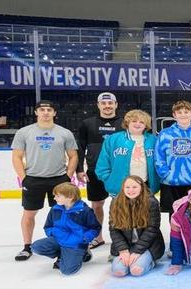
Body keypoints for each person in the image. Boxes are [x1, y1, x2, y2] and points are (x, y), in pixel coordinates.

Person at [11, 100, 79, 261]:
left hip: (59, 180)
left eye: (49, 109)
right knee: (29, 214)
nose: (46, 112)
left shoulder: (65, 133)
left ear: (55, 113)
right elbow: (16, 157)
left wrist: (67, 177)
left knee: (62, 214)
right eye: (42, 109)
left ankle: (63, 244)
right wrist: (24, 178)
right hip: (33, 180)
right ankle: (27, 247)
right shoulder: (24, 132)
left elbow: (73, 155)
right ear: (36, 113)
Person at [76, 92, 123, 249]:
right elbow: (80, 148)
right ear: (98, 105)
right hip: (95, 171)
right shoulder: (88, 123)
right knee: (96, 205)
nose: (107, 106)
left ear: (116, 105)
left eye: (110, 103)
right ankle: (98, 237)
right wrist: (79, 169)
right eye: (104, 103)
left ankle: (123, 237)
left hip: (119, 172)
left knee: (121, 204)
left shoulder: (124, 123)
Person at [155, 100, 191, 214]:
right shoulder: (165, 133)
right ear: (174, 115)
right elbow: (159, 156)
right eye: (179, 112)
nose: (183, 114)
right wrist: (165, 174)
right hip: (171, 182)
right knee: (174, 216)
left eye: (186, 112)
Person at [31, 182, 100, 275]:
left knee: (67, 271)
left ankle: (83, 253)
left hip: (75, 244)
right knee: (36, 247)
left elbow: (95, 228)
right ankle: (62, 254)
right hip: (58, 239)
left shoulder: (84, 211)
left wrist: (84, 238)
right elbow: (48, 226)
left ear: (70, 197)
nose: (54, 198)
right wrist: (52, 233)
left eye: (58, 196)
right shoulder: (55, 209)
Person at [109, 175, 165, 277]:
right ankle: (128, 259)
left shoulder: (151, 202)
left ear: (141, 188)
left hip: (147, 245)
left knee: (136, 270)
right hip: (126, 245)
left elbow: (152, 229)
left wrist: (137, 251)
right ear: (123, 188)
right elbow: (113, 229)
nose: (131, 190)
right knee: (119, 272)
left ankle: (151, 262)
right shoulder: (116, 202)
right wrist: (123, 250)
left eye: (134, 187)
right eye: (127, 187)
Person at [95, 109, 160, 197]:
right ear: (127, 123)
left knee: (146, 211)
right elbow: (103, 164)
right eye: (134, 121)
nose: (138, 124)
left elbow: (160, 162)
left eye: (141, 122)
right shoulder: (113, 139)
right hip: (120, 188)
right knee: (121, 211)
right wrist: (110, 180)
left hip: (146, 186)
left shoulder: (153, 140)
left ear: (146, 125)